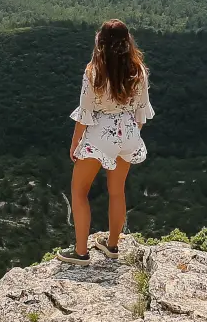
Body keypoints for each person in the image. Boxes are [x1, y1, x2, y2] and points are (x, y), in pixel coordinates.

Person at [58, 19, 154, 263]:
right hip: (129, 133)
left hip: (100, 135)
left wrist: (75, 144)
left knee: (79, 192)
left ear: (100, 42)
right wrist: (132, 133)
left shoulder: (93, 72)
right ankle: (112, 245)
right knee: (117, 191)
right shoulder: (138, 71)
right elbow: (141, 111)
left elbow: (85, 114)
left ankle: (80, 251)